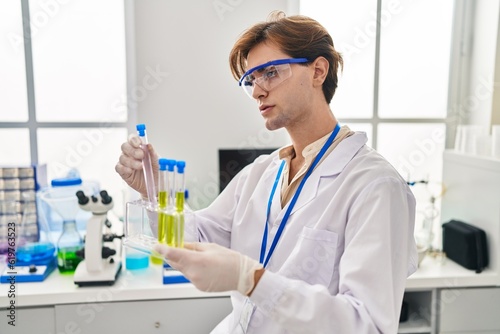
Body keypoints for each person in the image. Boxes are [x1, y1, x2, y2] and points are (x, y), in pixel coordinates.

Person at [116, 11, 417, 334]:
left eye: (270, 73)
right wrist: (153, 189)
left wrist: (251, 279)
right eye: (251, 81)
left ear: (317, 71)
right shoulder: (260, 173)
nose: (258, 91)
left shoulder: (375, 186)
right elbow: (193, 242)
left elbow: (367, 325)